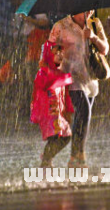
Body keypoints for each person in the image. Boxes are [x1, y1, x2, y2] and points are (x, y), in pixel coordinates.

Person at [48, 10, 109, 168]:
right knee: (84, 110)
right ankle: (77, 155)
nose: (89, 12)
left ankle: (53, 157)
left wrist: (93, 37)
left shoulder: (94, 23)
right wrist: (57, 54)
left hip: (90, 79)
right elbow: (50, 50)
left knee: (80, 119)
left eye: (91, 9)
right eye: (85, 9)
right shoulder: (61, 26)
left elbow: (105, 49)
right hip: (71, 77)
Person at [30, 40, 75, 168]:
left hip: (58, 113)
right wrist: (63, 78)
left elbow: (65, 96)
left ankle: (47, 160)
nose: (60, 55)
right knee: (56, 137)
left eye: (62, 52)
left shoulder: (61, 74)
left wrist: (68, 111)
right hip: (48, 114)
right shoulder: (42, 73)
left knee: (65, 136)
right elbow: (44, 84)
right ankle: (46, 161)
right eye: (57, 52)